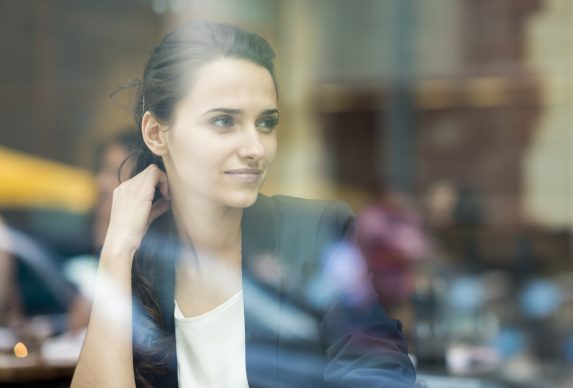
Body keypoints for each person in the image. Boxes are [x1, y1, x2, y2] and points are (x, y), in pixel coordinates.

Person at [72, 21, 416, 387]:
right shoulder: (141, 263)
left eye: (266, 123)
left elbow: (382, 374)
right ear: (157, 133)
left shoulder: (314, 235)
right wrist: (116, 250)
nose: (255, 148)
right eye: (224, 121)